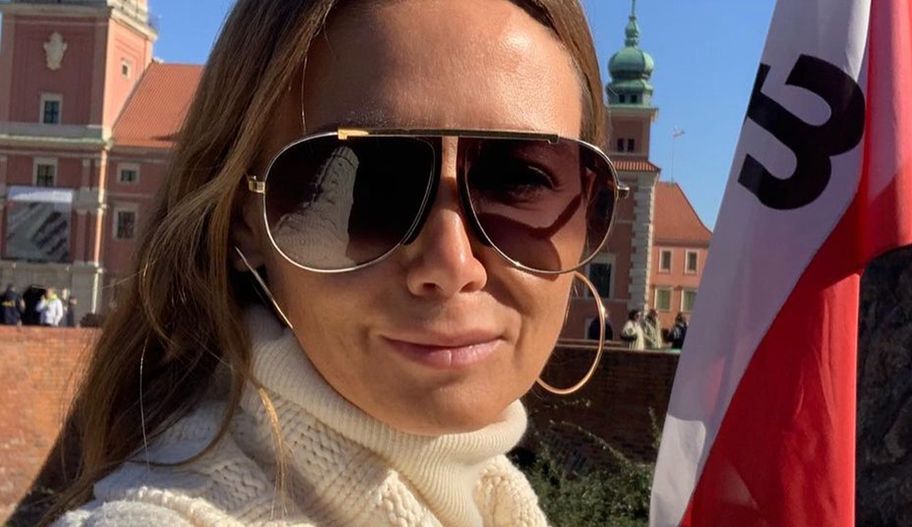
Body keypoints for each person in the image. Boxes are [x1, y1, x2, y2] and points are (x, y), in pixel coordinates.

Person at [45, 1, 624, 525]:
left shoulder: (495, 503)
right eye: (367, 185)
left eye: (522, 180)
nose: (452, 264)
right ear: (245, 217)